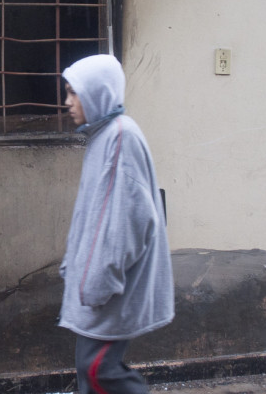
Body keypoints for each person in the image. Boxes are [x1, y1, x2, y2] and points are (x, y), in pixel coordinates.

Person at [59, 54, 175, 394]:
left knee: (98, 371)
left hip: (108, 290)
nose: (67, 102)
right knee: (91, 369)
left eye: (73, 93)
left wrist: (95, 284)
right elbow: (90, 216)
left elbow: (124, 223)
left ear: (96, 92)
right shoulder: (104, 136)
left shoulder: (119, 139)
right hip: (96, 288)